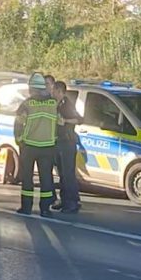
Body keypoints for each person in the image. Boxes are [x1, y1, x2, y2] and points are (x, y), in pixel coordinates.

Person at [15, 73, 58, 217]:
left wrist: (19, 139)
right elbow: (60, 123)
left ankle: (26, 207)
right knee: (46, 179)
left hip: (29, 146)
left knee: (27, 178)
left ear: (32, 88)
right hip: (48, 146)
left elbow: (18, 123)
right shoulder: (53, 103)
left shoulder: (27, 104)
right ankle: (45, 209)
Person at [52, 80, 83, 213]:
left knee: (68, 173)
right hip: (58, 142)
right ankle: (64, 200)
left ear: (59, 91)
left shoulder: (66, 104)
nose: (52, 92)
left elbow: (79, 119)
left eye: (54, 90)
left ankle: (72, 202)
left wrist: (64, 121)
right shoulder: (55, 104)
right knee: (61, 173)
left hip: (67, 142)